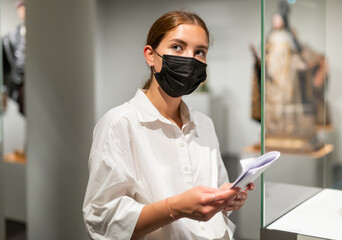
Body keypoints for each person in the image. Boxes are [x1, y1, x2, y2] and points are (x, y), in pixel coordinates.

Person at [83, 11, 254, 240]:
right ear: (150, 56)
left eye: (199, 52)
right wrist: (175, 208)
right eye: (177, 47)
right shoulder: (119, 124)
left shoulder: (204, 124)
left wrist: (224, 197)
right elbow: (102, 218)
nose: (189, 58)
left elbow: (216, 185)